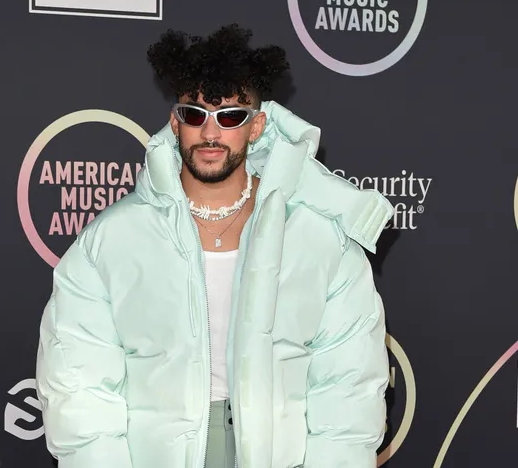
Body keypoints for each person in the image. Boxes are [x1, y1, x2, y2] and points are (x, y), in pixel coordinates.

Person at [35, 24, 394, 468]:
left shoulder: (319, 239)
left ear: (257, 126)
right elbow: (78, 382)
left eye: (229, 117)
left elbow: (347, 384)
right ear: (175, 122)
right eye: (194, 115)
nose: (210, 133)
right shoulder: (111, 239)